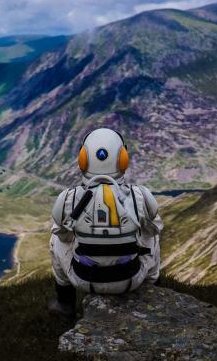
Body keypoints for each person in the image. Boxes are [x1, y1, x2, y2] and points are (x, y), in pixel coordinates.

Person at [48, 127, 163, 319]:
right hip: (131, 279)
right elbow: (154, 230)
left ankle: (65, 303)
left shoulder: (68, 198)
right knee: (153, 235)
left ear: (83, 159)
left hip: (83, 280)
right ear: (122, 158)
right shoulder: (140, 196)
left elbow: (64, 235)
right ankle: (152, 292)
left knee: (56, 238)